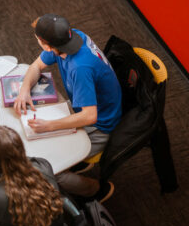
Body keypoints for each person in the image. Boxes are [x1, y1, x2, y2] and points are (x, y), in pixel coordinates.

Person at [13, 14, 122, 203]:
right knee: (39, 141)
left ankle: (96, 190)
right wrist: (24, 90)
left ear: (46, 45)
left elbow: (90, 116)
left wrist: (50, 126)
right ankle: (73, 159)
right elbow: (36, 66)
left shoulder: (80, 68)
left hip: (100, 125)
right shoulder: (71, 38)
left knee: (49, 168)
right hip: (84, 107)